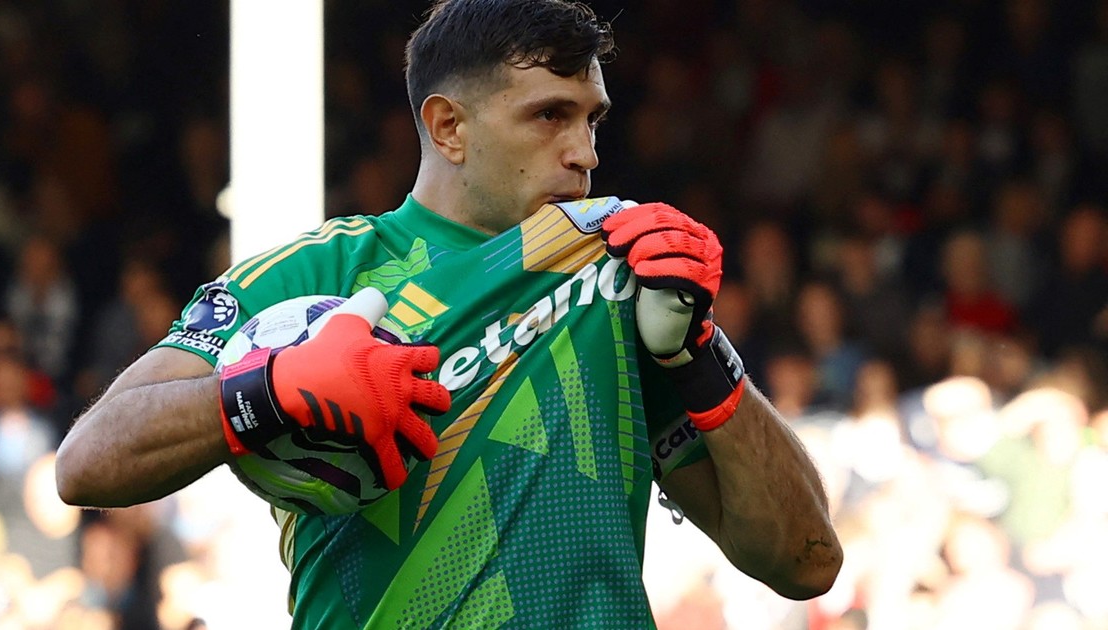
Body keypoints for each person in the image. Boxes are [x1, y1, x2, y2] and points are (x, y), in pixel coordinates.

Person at [56, 1, 841, 627]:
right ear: (449, 127)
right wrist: (272, 389)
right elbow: (88, 461)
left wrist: (699, 356)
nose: (585, 152)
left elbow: (806, 562)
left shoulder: (619, 275)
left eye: (591, 119)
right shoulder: (321, 271)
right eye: (550, 115)